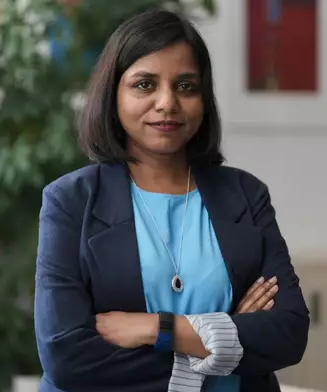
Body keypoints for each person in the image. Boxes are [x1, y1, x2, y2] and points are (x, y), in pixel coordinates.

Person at [34, 8, 309, 392]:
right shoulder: (70, 201)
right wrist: (226, 337)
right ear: (113, 93)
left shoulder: (246, 195)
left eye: (186, 86)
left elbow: (287, 333)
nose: (167, 103)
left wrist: (156, 328)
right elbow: (67, 359)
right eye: (145, 85)